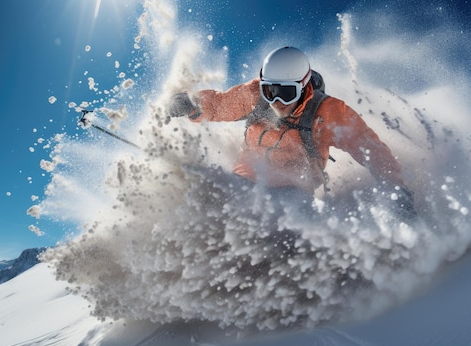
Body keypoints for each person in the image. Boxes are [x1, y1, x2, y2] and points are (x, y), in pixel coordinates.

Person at [166, 46, 415, 220]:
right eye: (269, 90)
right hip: (247, 176)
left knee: (290, 227)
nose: (276, 100)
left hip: (294, 186)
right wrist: (191, 104)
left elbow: (368, 146)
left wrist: (396, 188)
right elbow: (220, 104)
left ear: (303, 87)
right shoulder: (255, 96)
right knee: (215, 206)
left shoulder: (327, 112)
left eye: (286, 93)